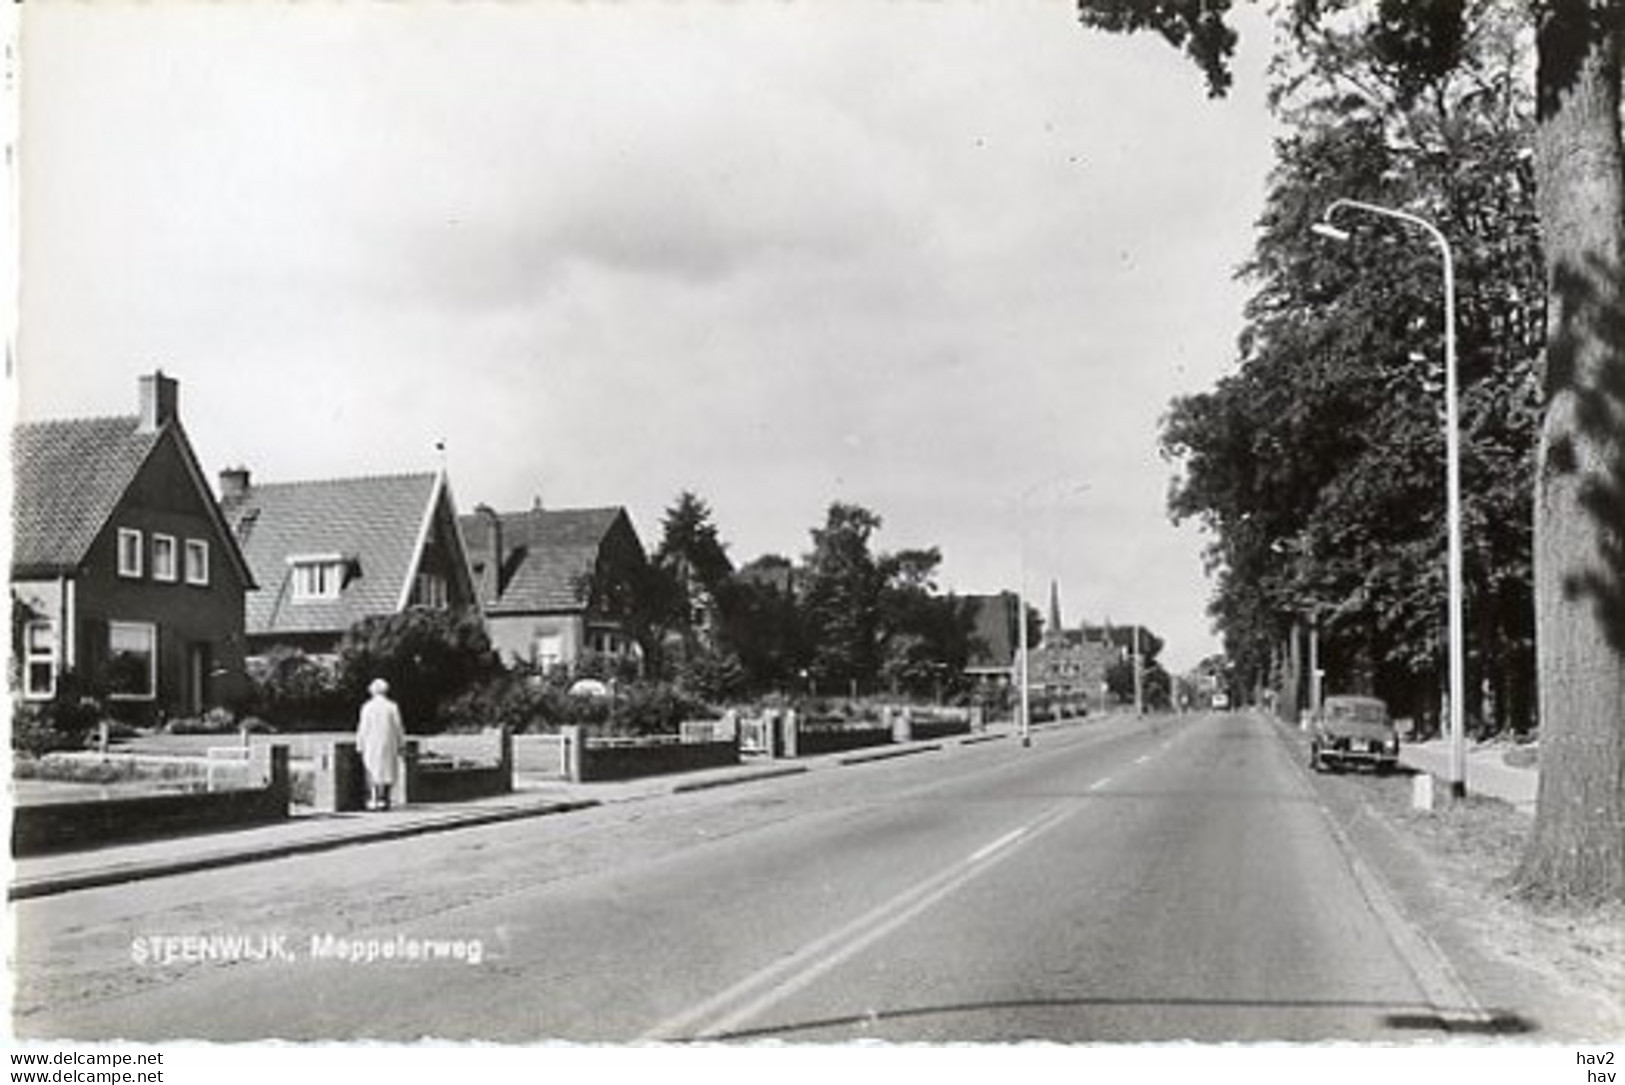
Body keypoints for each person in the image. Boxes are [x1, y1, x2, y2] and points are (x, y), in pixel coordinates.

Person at [356, 678, 405, 811]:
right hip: (388, 742)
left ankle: (374, 799)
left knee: (372, 770)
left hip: (371, 743)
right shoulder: (392, 706)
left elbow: (363, 727)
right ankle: (385, 799)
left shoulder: (367, 707)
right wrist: (401, 743)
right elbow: (398, 727)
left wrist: (359, 744)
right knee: (387, 770)